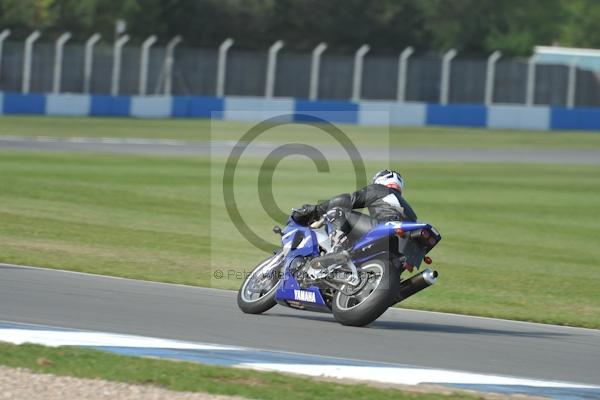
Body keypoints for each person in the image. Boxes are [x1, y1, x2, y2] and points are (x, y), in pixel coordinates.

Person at [291, 169, 418, 253]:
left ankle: (337, 248)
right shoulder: (409, 209)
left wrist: (316, 210)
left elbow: (347, 200)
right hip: (400, 245)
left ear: (381, 179)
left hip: (386, 228)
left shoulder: (379, 189)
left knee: (337, 212)